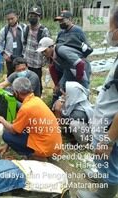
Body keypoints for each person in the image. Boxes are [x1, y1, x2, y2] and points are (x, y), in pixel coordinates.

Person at [76, 7, 118, 198]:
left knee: (108, 158)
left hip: (111, 127)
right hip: (106, 121)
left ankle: (104, 194)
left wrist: (109, 140)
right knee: (102, 158)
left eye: (110, 27)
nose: (108, 33)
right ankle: (102, 178)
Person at [0, 77, 62, 161]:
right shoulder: (36, 100)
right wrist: (7, 146)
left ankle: (36, 156)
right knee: (20, 130)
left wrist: (1, 120)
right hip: (54, 144)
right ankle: (43, 153)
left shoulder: (26, 108)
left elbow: (14, 130)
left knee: (6, 135)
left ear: (16, 92)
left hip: (45, 147)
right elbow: (20, 126)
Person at [36, 37, 91, 105]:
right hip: (68, 69)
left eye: (45, 51)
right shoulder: (50, 55)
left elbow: (80, 63)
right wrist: (57, 85)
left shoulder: (62, 50)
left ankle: (86, 107)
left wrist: (78, 80)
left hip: (81, 67)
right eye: (42, 52)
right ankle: (56, 107)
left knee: (83, 89)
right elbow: (52, 68)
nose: (44, 53)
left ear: (51, 47)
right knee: (60, 88)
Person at [23, 6, 50, 95]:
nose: (32, 17)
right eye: (31, 15)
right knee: (26, 82)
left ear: (39, 17)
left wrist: (45, 63)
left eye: (35, 16)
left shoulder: (43, 30)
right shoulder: (26, 28)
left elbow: (48, 48)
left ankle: (37, 99)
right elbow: (24, 43)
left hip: (37, 63)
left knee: (37, 83)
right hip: (27, 62)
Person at [0, 9, 25, 77]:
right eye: (8, 19)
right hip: (10, 59)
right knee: (11, 77)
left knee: (22, 76)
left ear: (17, 17)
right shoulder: (4, 30)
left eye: (12, 18)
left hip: (22, 58)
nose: (10, 21)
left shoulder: (24, 28)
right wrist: (4, 54)